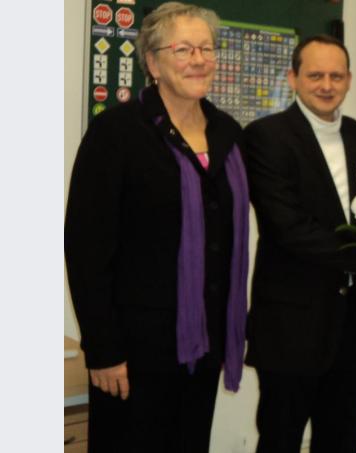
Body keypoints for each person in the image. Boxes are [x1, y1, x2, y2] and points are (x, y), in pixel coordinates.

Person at [64, 2, 248, 452]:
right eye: (183, 49)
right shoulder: (117, 133)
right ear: (152, 62)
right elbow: (86, 248)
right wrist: (103, 349)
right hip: (134, 349)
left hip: (203, 341)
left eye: (206, 48)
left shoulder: (226, 132)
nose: (199, 59)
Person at [242, 35, 356, 453]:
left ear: (349, 80)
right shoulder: (265, 137)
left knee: (342, 438)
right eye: (315, 75)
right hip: (290, 324)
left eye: (336, 76)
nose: (326, 85)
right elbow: (289, 229)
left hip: (352, 323)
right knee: (280, 437)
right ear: (293, 78)